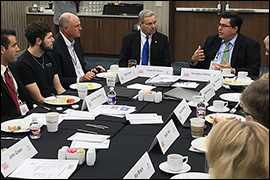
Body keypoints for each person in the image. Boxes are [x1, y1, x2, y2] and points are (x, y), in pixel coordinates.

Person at [190, 12, 261, 76]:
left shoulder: (250, 45)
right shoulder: (211, 40)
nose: (219, 28)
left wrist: (233, 71)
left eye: (224, 26)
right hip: (209, 78)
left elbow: (254, 71)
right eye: (219, 25)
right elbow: (201, 66)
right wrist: (194, 60)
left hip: (233, 82)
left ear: (235, 29)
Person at [51, 12, 106, 89]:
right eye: (77, 26)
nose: (80, 28)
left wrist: (93, 71)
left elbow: (79, 69)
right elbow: (57, 80)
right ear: (66, 28)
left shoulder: (75, 41)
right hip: (70, 88)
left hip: (83, 83)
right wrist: (79, 79)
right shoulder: (55, 47)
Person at [16, 21, 66, 103]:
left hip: (55, 99)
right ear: (38, 41)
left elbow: (59, 88)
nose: (53, 40)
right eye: (49, 38)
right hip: (43, 106)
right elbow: (38, 98)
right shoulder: (23, 64)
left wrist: (68, 100)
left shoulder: (49, 56)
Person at [1, 29, 33, 121]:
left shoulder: (13, 67)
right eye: (14, 46)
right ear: (2, 49)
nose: (18, 49)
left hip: (25, 117)